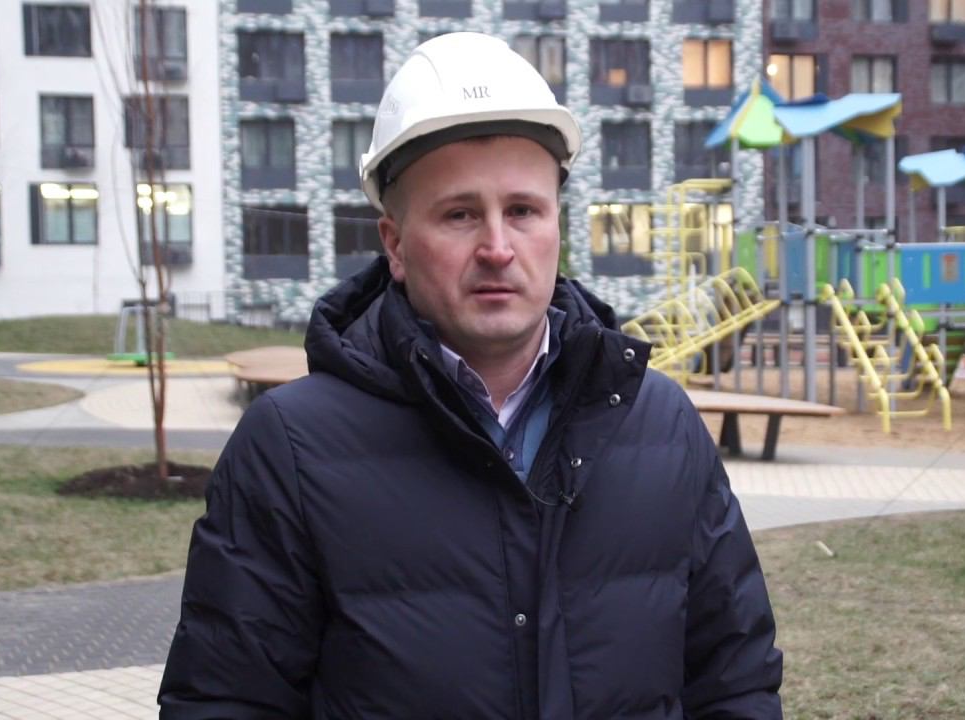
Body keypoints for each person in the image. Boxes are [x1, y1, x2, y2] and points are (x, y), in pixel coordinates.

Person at [159, 31, 782, 719]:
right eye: (459, 215)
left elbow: (734, 682)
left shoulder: (661, 425)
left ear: (557, 225)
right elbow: (225, 700)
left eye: (523, 211)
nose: (497, 247)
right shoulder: (290, 450)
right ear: (395, 244)